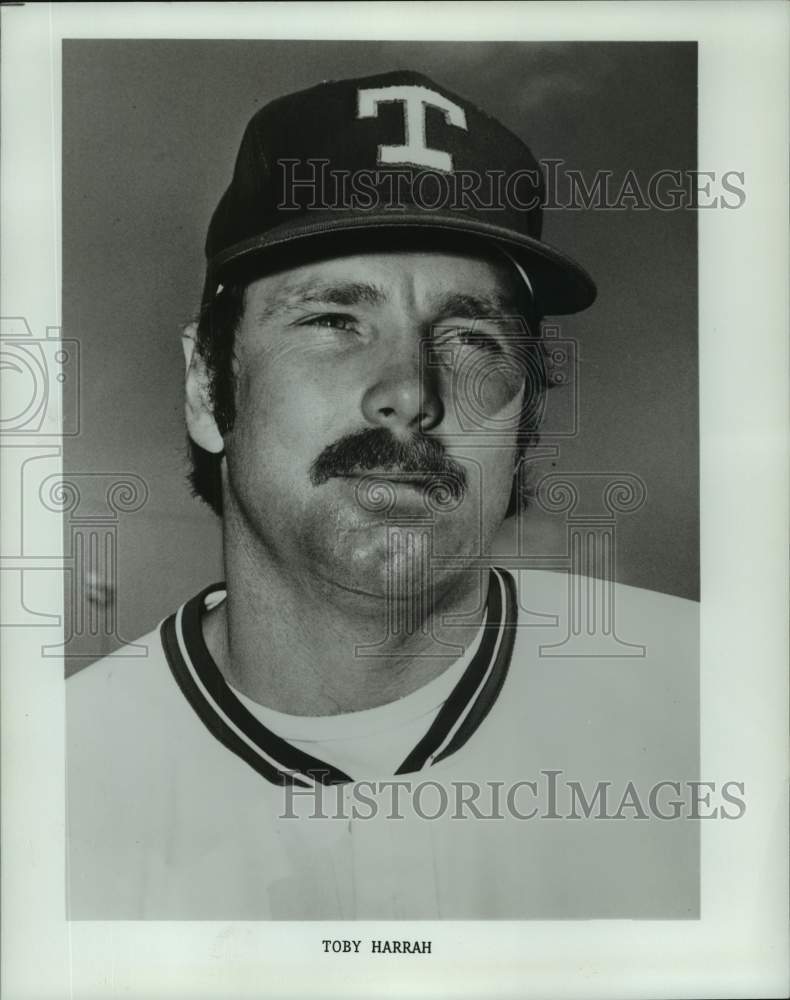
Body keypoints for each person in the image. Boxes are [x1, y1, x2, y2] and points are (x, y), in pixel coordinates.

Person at [67, 70, 700, 920]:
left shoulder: (726, 705)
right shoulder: (46, 784)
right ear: (206, 384)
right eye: (333, 320)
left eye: (472, 336)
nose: (410, 392)